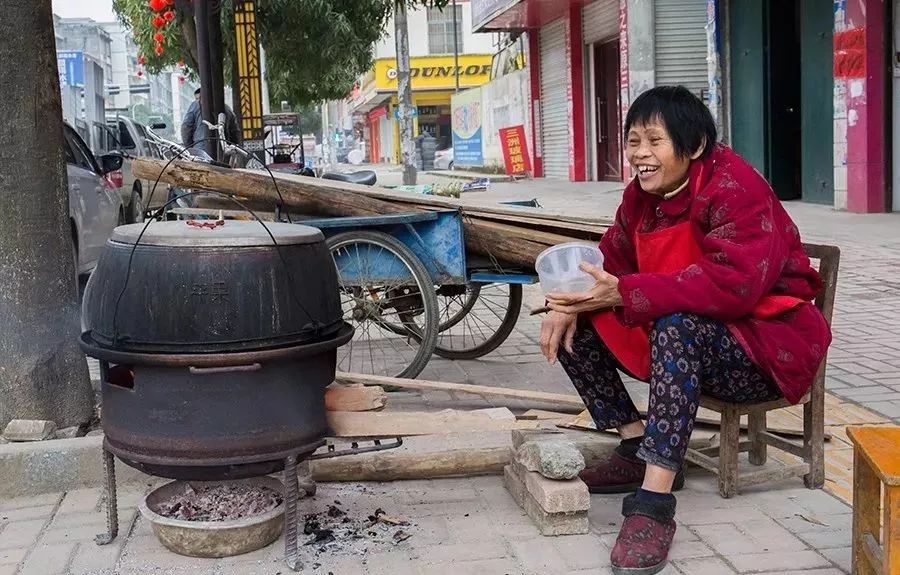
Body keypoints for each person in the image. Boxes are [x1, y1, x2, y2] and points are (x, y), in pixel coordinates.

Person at [539, 86, 831, 575]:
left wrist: (629, 294)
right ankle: (637, 444)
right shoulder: (640, 196)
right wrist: (567, 301)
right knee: (568, 320)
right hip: (690, 343)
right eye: (633, 141)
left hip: (764, 351)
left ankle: (653, 501)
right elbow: (612, 258)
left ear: (693, 146)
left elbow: (734, 286)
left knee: (677, 324)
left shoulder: (737, 189)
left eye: (655, 141)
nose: (641, 155)